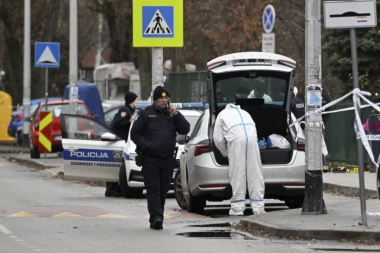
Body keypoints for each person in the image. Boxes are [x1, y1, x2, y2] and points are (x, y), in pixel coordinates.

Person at [131, 86, 190, 230]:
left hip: (168, 159)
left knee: (163, 189)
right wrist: (147, 146)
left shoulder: (172, 114)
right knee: (153, 189)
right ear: (155, 100)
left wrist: (176, 115)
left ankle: (158, 215)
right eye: (161, 98)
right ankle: (156, 217)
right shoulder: (145, 114)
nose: (164, 100)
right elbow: (135, 134)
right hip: (150, 159)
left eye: (166, 98)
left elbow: (185, 129)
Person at [213, 103, 265, 216]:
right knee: (255, 172)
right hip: (252, 140)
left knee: (238, 173)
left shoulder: (222, 114)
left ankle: (237, 208)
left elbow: (218, 139)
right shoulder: (245, 113)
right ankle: (258, 208)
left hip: (235, 140)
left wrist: (225, 153)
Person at [105, 91, 139, 197]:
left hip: (124, 142)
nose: (137, 101)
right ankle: (111, 188)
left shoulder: (131, 110)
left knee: (119, 165)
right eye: (136, 99)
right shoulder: (124, 110)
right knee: (117, 164)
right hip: (118, 141)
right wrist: (130, 120)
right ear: (131, 101)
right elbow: (117, 123)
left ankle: (114, 187)